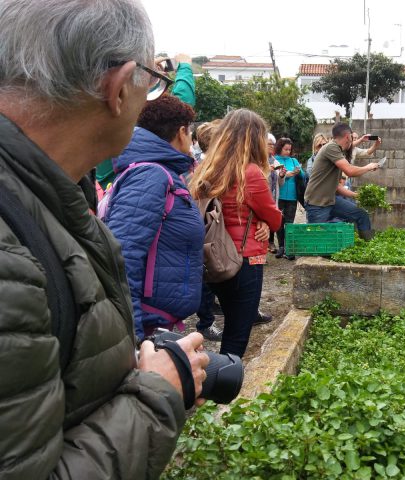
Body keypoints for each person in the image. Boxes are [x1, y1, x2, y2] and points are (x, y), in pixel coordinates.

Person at [0, 1, 209, 478]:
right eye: (151, 81)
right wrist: (158, 392)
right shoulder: (11, 256)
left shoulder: (56, 190)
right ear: (118, 89)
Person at [105, 95, 205, 343]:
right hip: (147, 328)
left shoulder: (165, 173)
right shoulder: (151, 175)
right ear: (182, 132)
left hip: (157, 324)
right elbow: (122, 256)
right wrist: (134, 340)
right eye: (191, 133)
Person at [190, 109, 282, 358]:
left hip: (214, 257)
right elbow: (275, 218)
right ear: (254, 139)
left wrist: (260, 219)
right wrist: (264, 220)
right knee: (237, 335)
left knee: (230, 322)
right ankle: (225, 387)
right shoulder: (250, 172)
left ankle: (219, 379)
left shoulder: (207, 168)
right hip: (246, 258)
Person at [96, 53, 196, 191]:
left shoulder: (108, 123)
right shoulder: (136, 129)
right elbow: (179, 110)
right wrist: (184, 68)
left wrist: (142, 73)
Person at [304, 123, 380, 240]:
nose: (351, 140)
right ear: (347, 136)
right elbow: (349, 171)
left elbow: (337, 187)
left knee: (361, 215)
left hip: (331, 200)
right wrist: (368, 167)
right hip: (317, 204)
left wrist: (357, 195)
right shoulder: (331, 148)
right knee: (317, 240)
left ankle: (369, 246)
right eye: (351, 137)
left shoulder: (338, 150)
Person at [273, 137, 305, 260]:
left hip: (292, 196)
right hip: (279, 196)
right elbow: (273, 177)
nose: (287, 151)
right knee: (279, 222)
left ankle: (289, 248)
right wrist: (285, 175)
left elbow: (302, 175)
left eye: (289, 149)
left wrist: (298, 171)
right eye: (285, 149)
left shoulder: (293, 160)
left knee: (289, 222)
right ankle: (281, 246)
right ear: (280, 148)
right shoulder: (275, 160)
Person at [267, 133, 284, 253]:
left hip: (272, 196)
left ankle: (270, 242)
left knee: (270, 219)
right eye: (269, 144)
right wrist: (267, 170)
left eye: (273, 144)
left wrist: (282, 175)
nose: (272, 146)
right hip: (261, 196)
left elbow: (280, 184)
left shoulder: (275, 161)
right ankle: (260, 251)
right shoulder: (257, 160)